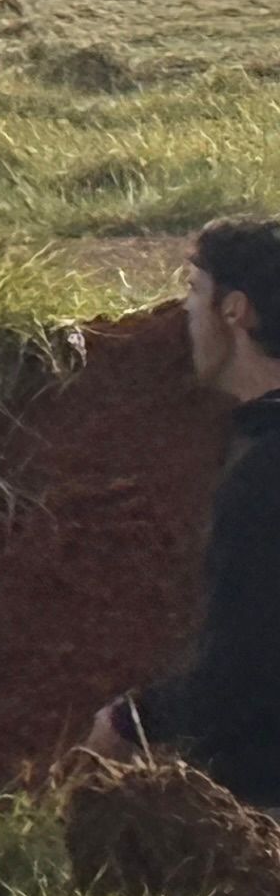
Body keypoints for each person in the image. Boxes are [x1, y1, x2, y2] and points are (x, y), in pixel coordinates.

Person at [87, 216, 280, 806]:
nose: (183, 316)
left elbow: (250, 661)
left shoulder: (263, 475)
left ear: (236, 310)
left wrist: (130, 722)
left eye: (195, 292)